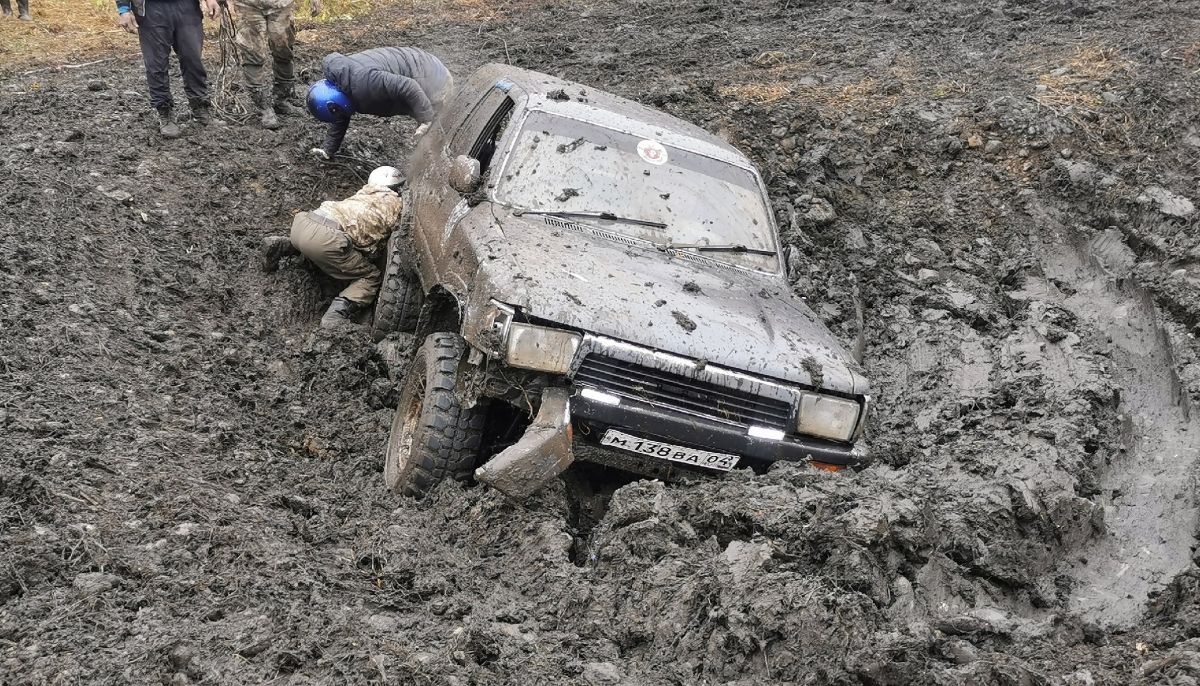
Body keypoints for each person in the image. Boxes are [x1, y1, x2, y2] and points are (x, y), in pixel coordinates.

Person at [261, 166, 405, 327]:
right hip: (324, 242)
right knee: (370, 276)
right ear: (398, 188)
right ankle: (335, 315)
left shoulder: (365, 192)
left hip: (302, 223)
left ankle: (283, 245)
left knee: (322, 237)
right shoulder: (398, 204)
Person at [305, 47, 453, 160]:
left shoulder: (365, 82)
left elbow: (409, 86)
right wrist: (328, 149)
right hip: (417, 65)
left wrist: (426, 119)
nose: (339, 116)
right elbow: (340, 114)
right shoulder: (343, 82)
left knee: (438, 129)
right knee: (426, 124)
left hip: (433, 77)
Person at [117, 0, 219, 139]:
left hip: (187, 8)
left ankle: (201, 108)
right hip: (151, 10)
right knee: (156, 64)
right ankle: (164, 111)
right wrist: (124, 9)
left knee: (193, 59)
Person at [230, 0, 319, 130]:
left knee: (283, 51)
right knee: (252, 54)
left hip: (281, 4)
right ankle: (263, 107)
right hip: (248, 5)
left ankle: (281, 99)